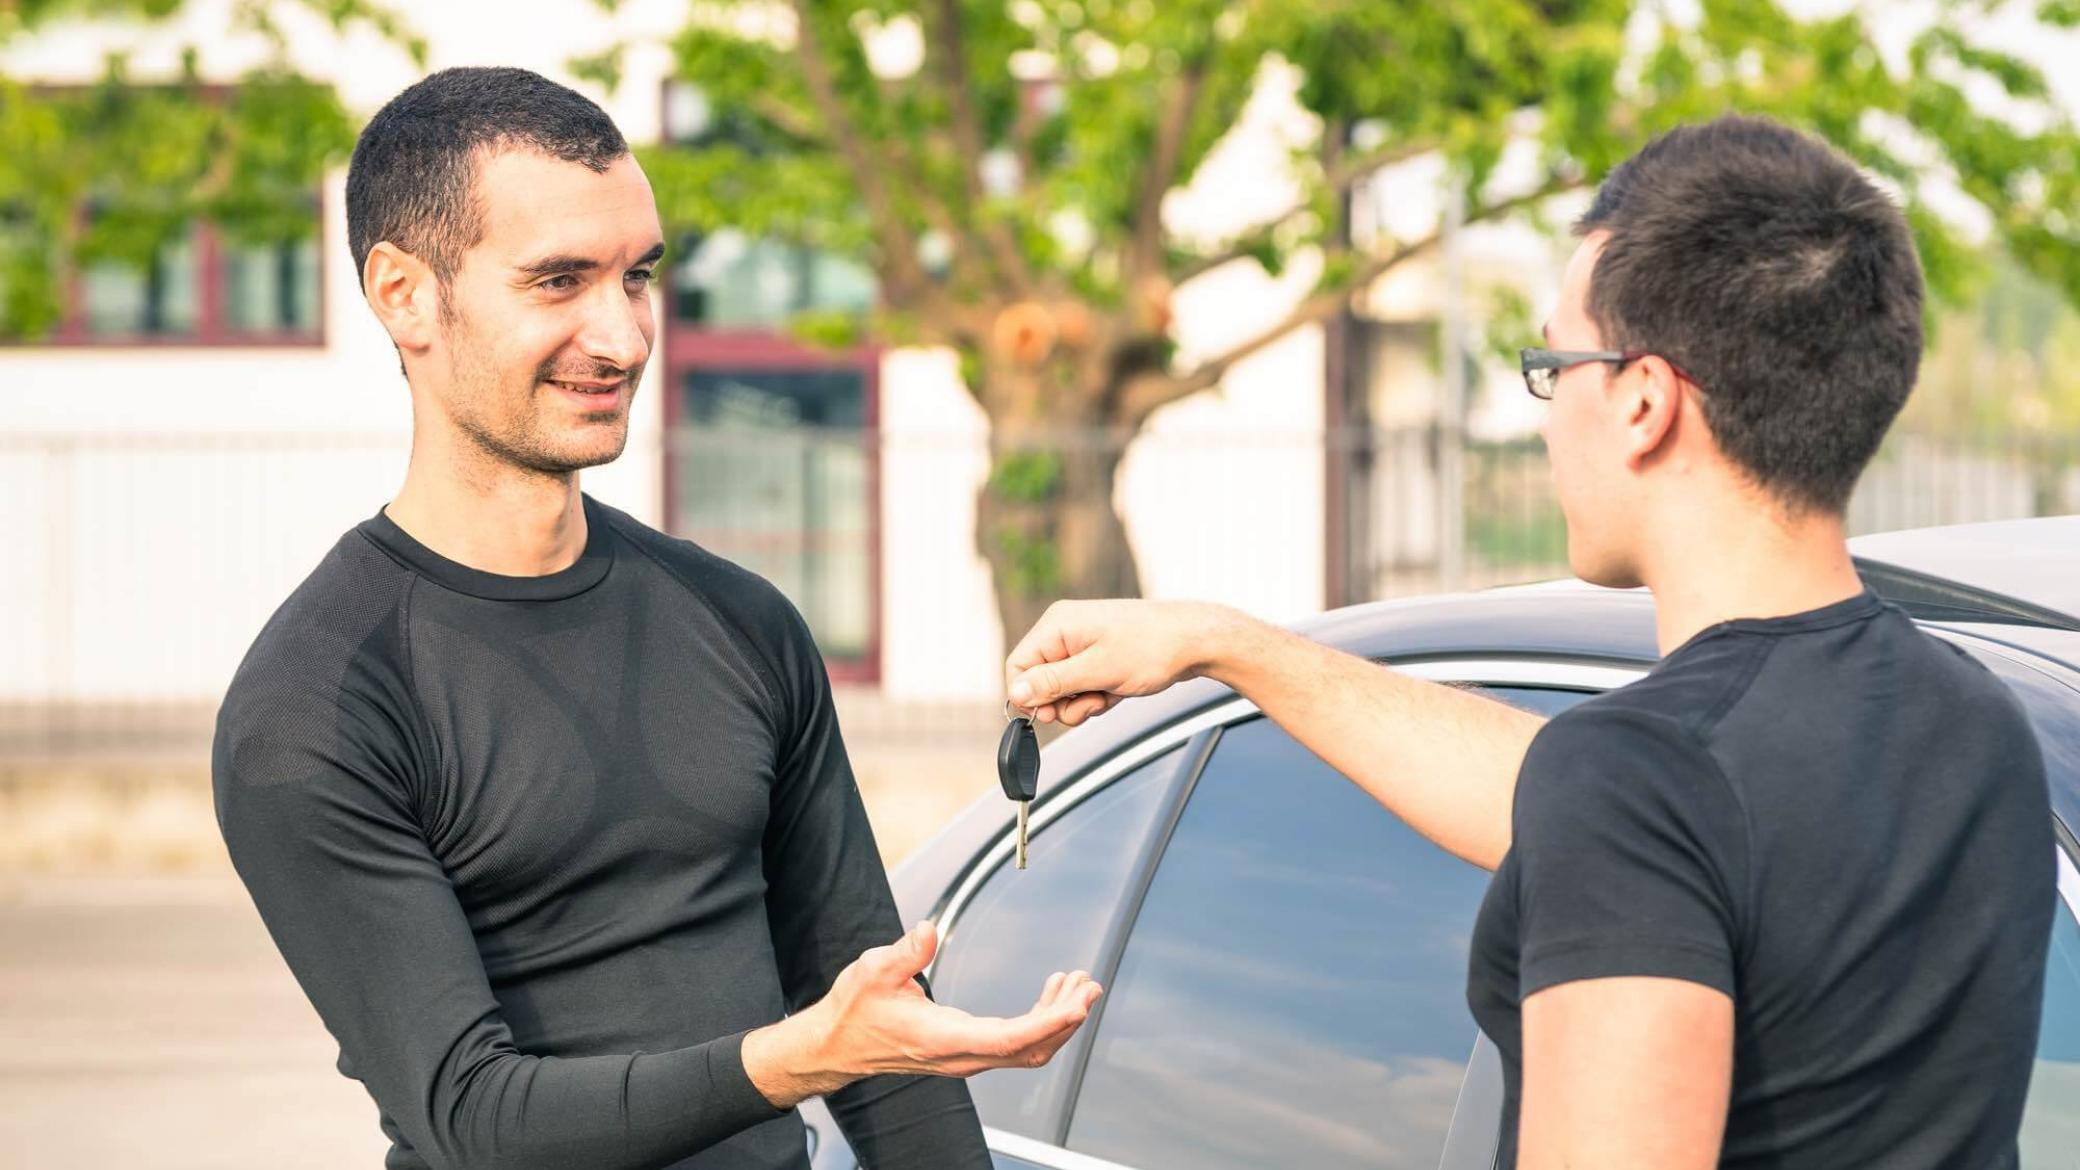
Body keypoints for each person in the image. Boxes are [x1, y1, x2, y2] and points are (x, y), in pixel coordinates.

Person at [1005, 114, 2053, 1169]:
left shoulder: (1645, 783)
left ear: (1643, 400)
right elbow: (1624, 808)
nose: (1547, 416)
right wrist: (1225, 644)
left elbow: (1632, 809)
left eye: (1552, 365)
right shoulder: (1975, 724)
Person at [213, 66, 1097, 1170]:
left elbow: (880, 1035)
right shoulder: (316, 707)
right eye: (559, 281)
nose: (624, 337)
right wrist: (791, 1061)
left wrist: (844, 1054)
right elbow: (470, 1117)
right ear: (404, 294)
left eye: (637, 277)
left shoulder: (740, 624)